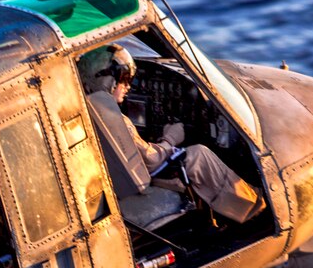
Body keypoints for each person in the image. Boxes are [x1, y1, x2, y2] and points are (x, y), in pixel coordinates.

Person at [77, 44, 265, 225]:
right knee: (198, 155)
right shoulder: (112, 118)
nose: (128, 86)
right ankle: (253, 207)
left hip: (117, 183)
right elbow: (151, 160)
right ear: (105, 80)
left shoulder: (85, 110)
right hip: (142, 183)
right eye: (124, 79)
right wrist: (170, 138)